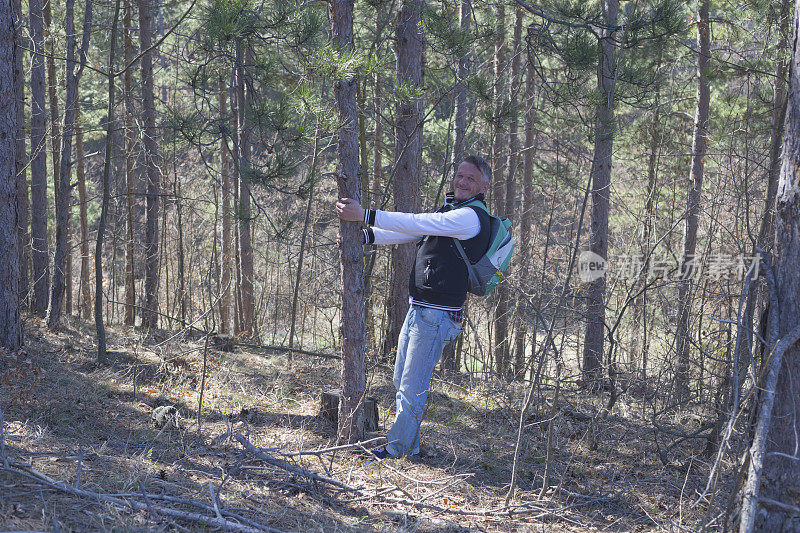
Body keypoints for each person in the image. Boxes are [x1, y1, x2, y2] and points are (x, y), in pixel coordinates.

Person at [335, 155, 493, 458]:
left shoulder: (470, 217)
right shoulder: (454, 211)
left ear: (485, 186)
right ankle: (410, 444)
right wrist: (367, 236)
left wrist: (366, 215)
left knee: (411, 389)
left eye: (470, 179)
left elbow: (417, 221)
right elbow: (413, 233)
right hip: (420, 310)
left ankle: (399, 451)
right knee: (401, 382)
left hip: (436, 316)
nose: (461, 182)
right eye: (459, 175)